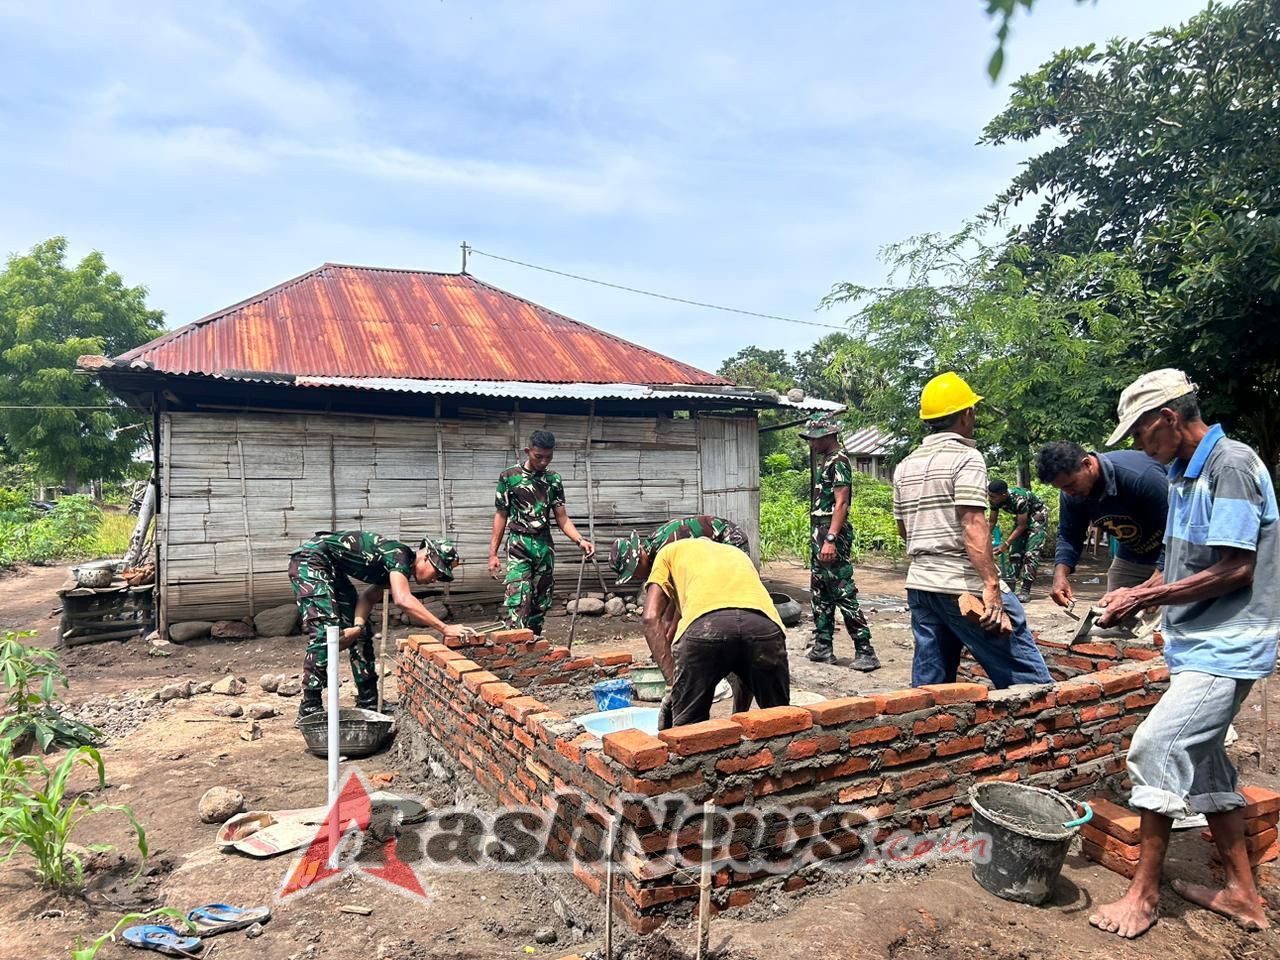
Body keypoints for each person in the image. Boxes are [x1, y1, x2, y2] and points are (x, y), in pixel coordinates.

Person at [1087, 369, 1276, 939]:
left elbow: (1237, 566)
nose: (1142, 448)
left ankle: (1143, 897)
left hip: (1230, 642)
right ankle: (1243, 893)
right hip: (1198, 641)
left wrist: (1155, 594)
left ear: (1167, 418)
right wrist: (1141, 594)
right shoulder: (1182, 474)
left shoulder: (1232, 465)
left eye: (1142, 434)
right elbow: (1182, 560)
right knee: (1208, 763)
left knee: (1156, 746)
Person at [892, 372, 1052, 688]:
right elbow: (973, 525)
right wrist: (992, 585)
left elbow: (904, 530)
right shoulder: (967, 457)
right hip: (960, 584)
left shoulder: (905, 465)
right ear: (967, 414)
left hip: (922, 587)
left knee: (931, 693)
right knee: (1032, 684)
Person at [289, 531, 462, 721]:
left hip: (331, 568)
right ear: (426, 556)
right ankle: (310, 705)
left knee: (362, 633)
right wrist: (444, 628)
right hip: (311, 560)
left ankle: (368, 700)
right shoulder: (399, 556)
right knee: (326, 631)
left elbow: (368, 597)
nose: (434, 579)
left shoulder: (397, 568)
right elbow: (402, 599)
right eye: (437, 571)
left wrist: (357, 626)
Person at [609, 515, 754, 711]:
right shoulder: (655, 553)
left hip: (728, 542)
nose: (637, 577)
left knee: (729, 615)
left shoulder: (665, 548)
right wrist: (662, 648)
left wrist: (671, 645)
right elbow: (668, 611)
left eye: (634, 572)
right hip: (707, 554)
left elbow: (681, 603)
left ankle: (740, 706)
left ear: (639, 556)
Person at [642, 538, 789, 728]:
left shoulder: (668, 552)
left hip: (704, 631)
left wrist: (673, 685)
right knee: (782, 723)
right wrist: (739, 721)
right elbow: (745, 659)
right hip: (764, 628)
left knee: (689, 734)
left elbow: (650, 617)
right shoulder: (736, 554)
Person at [1034, 441, 1168, 605]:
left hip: (1176, 552)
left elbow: (1177, 528)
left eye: (1071, 485)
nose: (1069, 493)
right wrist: (1060, 574)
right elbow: (1069, 535)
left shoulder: (1141, 477)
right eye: (1062, 488)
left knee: (1169, 618)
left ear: (1087, 464)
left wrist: (1157, 578)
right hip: (1133, 556)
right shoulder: (1071, 494)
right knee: (1115, 611)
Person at [488, 430, 594, 636]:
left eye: (549, 457)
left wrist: (580, 540)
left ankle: (533, 647)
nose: (544, 462)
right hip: (519, 545)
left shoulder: (553, 480)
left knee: (540, 601)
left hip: (544, 546)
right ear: (528, 451)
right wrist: (492, 554)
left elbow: (562, 517)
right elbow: (501, 515)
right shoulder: (509, 477)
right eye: (539, 457)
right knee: (519, 600)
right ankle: (515, 645)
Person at [799, 412, 880, 671]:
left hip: (830, 533)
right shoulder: (827, 460)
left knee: (842, 591)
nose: (811, 444)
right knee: (820, 590)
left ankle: (865, 649)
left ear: (829, 435)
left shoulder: (840, 461)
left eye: (815, 439)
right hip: (819, 533)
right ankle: (823, 646)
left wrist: (831, 539)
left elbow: (841, 503)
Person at [986, 479, 1049, 603]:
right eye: (989, 495)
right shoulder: (994, 499)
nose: (990, 498)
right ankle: (1011, 586)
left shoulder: (1019, 499)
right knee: (1014, 551)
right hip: (1022, 518)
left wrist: (1006, 543)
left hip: (1037, 515)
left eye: (993, 496)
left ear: (1003, 495)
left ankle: (1025, 589)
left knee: (1031, 552)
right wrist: (984, 539)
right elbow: (992, 521)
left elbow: (1022, 526)